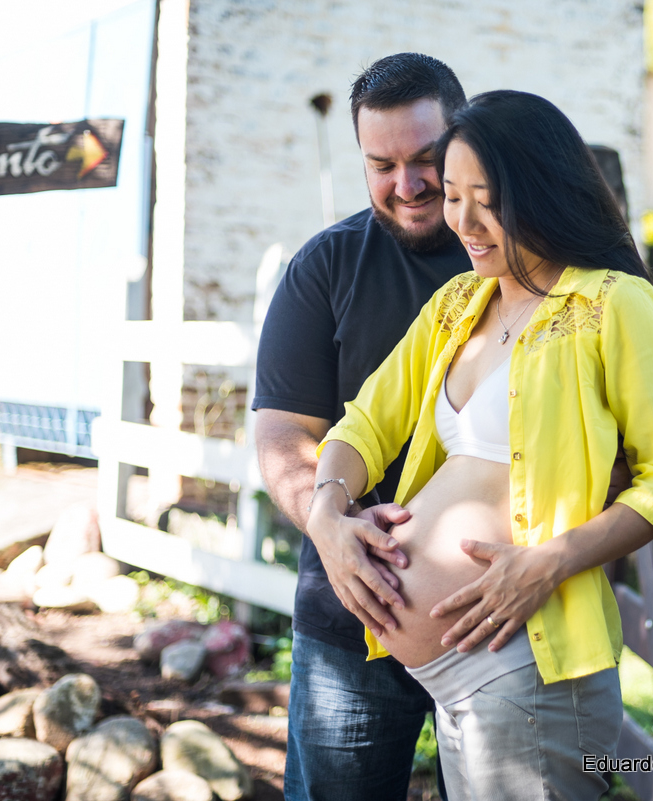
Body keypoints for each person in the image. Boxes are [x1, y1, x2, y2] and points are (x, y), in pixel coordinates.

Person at [307, 90, 653, 800]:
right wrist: (326, 512)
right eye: (453, 195)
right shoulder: (459, 302)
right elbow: (364, 423)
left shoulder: (612, 304)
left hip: (528, 669)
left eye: (484, 199)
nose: (461, 219)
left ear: (542, 193)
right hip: (453, 681)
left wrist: (548, 563)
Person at [252, 53, 470, 801]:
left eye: (426, 160)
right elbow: (282, 436)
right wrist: (328, 525)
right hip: (354, 624)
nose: (406, 185)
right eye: (382, 164)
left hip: (502, 627)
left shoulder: (526, 263)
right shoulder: (326, 267)